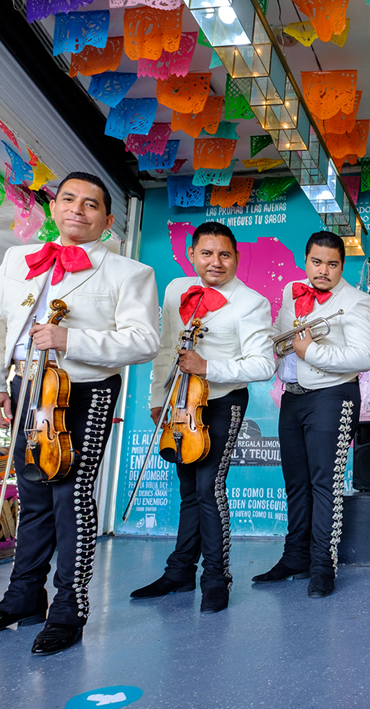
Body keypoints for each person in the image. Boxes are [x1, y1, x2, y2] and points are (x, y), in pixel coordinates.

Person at [0, 172, 159, 655]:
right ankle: (23, 598)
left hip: (86, 388)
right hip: (27, 387)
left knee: (71, 495)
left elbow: (145, 341)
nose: (77, 210)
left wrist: (72, 339)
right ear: (54, 207)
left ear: (107, 221)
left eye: (91, 205)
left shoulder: (129, 273)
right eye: (68, 199)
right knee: (33, 496)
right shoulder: (17, 258)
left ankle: (70, 609)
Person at [129, 222, 274, 613]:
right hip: (180, 403)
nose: (216, 262)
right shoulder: (177, 288)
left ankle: (216, 578)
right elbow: (164, 349)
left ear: (237, 259)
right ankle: (179, 572)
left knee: (209, 488)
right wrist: (158, 398)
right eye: (207, 253)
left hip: (224, 400)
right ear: (192, 255)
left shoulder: (251, 302)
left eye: (225, 254)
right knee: (188, 488)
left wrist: (208, 367)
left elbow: (263, 364)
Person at [253, 231, 370, 598]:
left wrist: (312, 353)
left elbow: (363, 357)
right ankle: (295, 556)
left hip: (332, 396)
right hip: (292, 396)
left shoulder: (359, 301)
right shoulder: (293, 291)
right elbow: (280, 336)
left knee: (325, 483)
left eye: (332, 263)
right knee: (296, 481)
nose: (323, 270)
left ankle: (323, 564)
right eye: (316, 262)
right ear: (305, 260)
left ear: (343, 264)